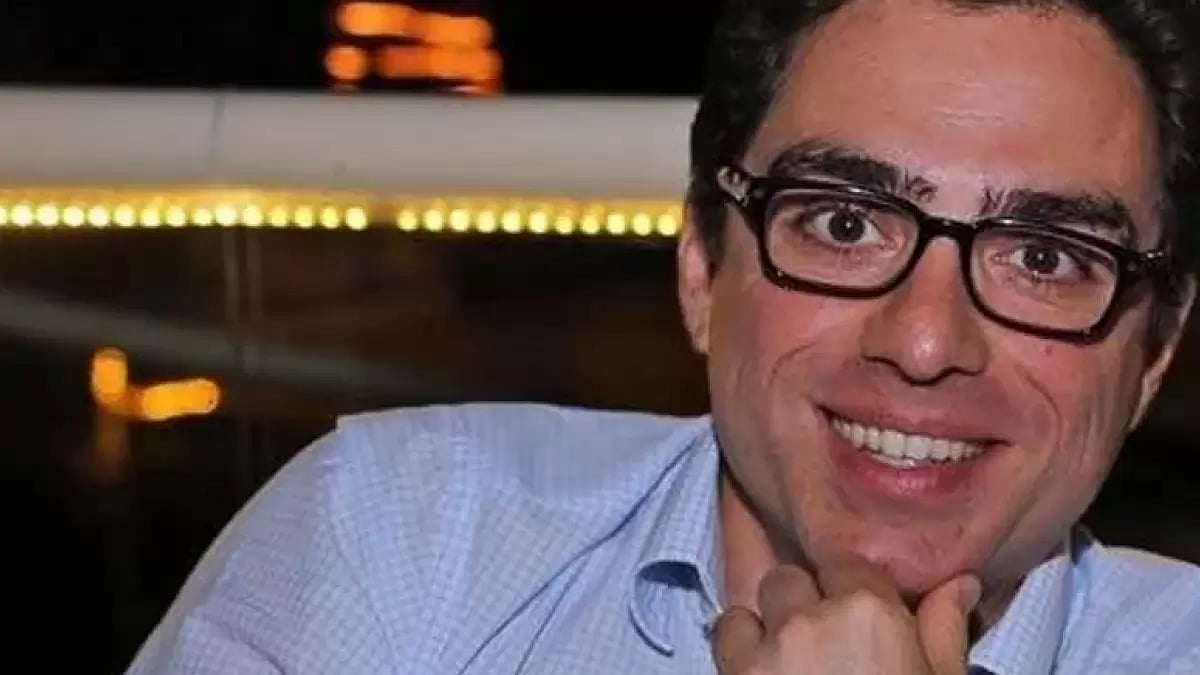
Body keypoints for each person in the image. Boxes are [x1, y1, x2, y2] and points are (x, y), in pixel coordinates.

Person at [126, 0, 1200, 673]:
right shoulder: (403, 539)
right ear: (699, 266)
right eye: (843, 223)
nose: (925, 341)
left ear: (1154, 351)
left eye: (1047, 256)